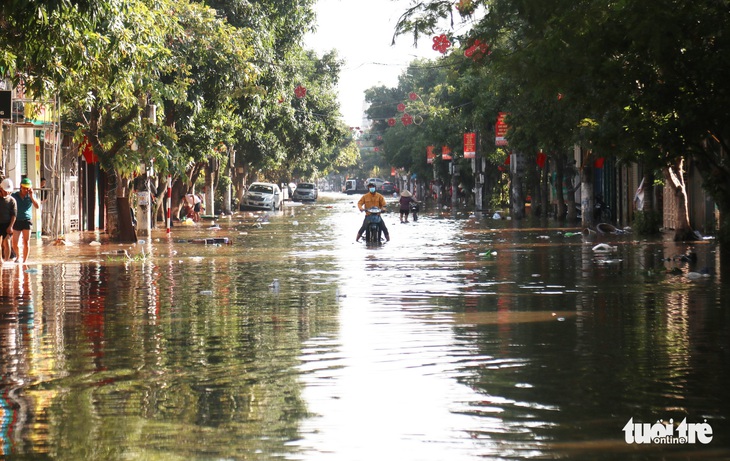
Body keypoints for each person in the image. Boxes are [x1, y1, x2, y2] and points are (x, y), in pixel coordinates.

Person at [11, 178, 40, 264]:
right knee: (14, 241)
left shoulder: (30, 196)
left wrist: (31, 196)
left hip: (27, 220)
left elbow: (37, 206)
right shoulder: (14, 195)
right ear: (21, 187)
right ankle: (18, 256)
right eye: (24, 188)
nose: (26, 190)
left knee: (26, 241)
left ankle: (25, 260)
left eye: (28, 188)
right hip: (17, 220)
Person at [0, 179, 17, 263]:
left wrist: (11, 226)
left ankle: (6, 260)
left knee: (7, 241)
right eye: (5, 191)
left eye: (9, 191)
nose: (7, 193)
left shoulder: (12, 200)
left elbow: (14, 215)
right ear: (1, 189)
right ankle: (0, 259)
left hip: (7, 224)